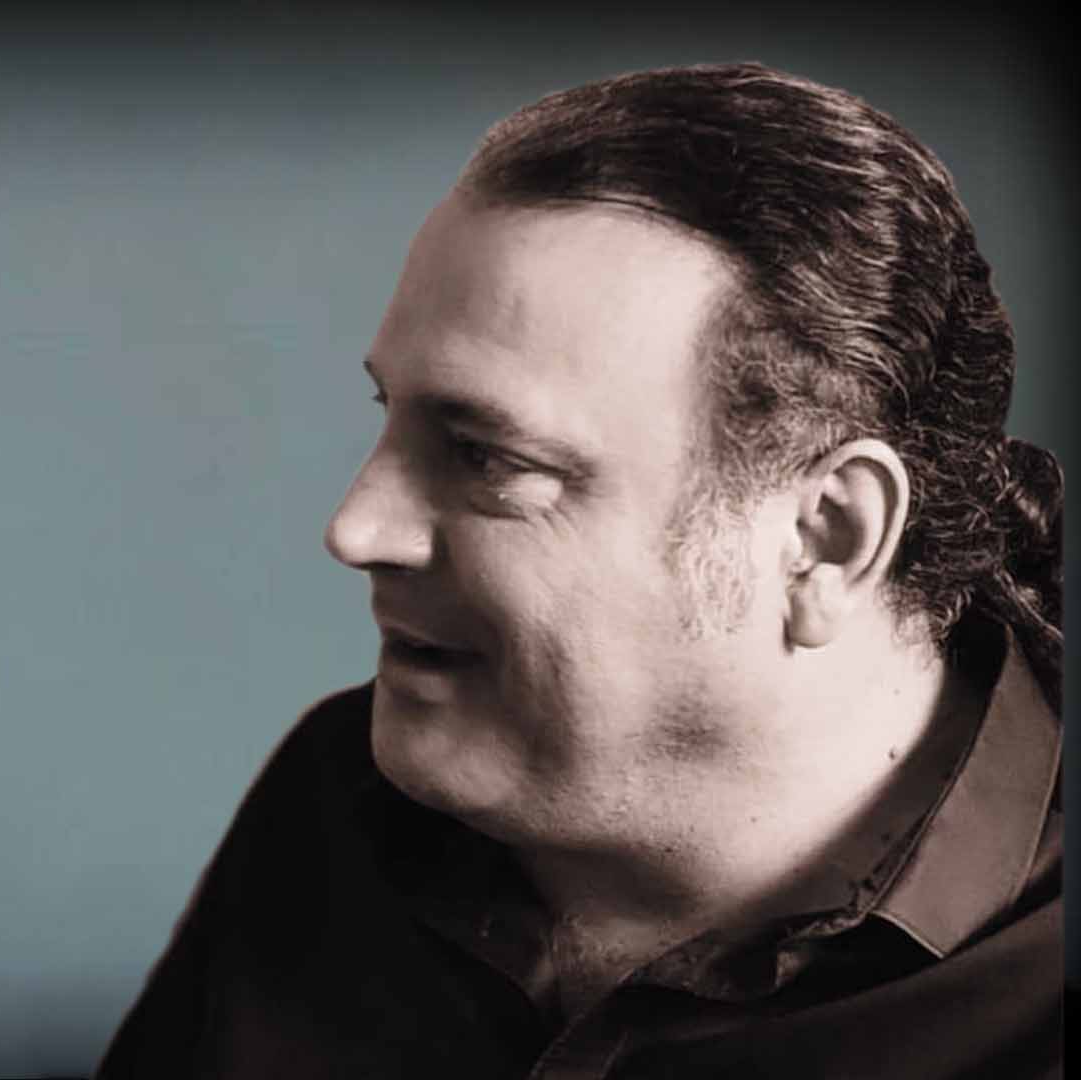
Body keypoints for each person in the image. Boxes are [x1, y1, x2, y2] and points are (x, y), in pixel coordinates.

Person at [95, 62, 1062, 1079]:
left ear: (825, 538)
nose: (357, 527)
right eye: (392, 416)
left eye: (488, 458)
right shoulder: (338, 802)